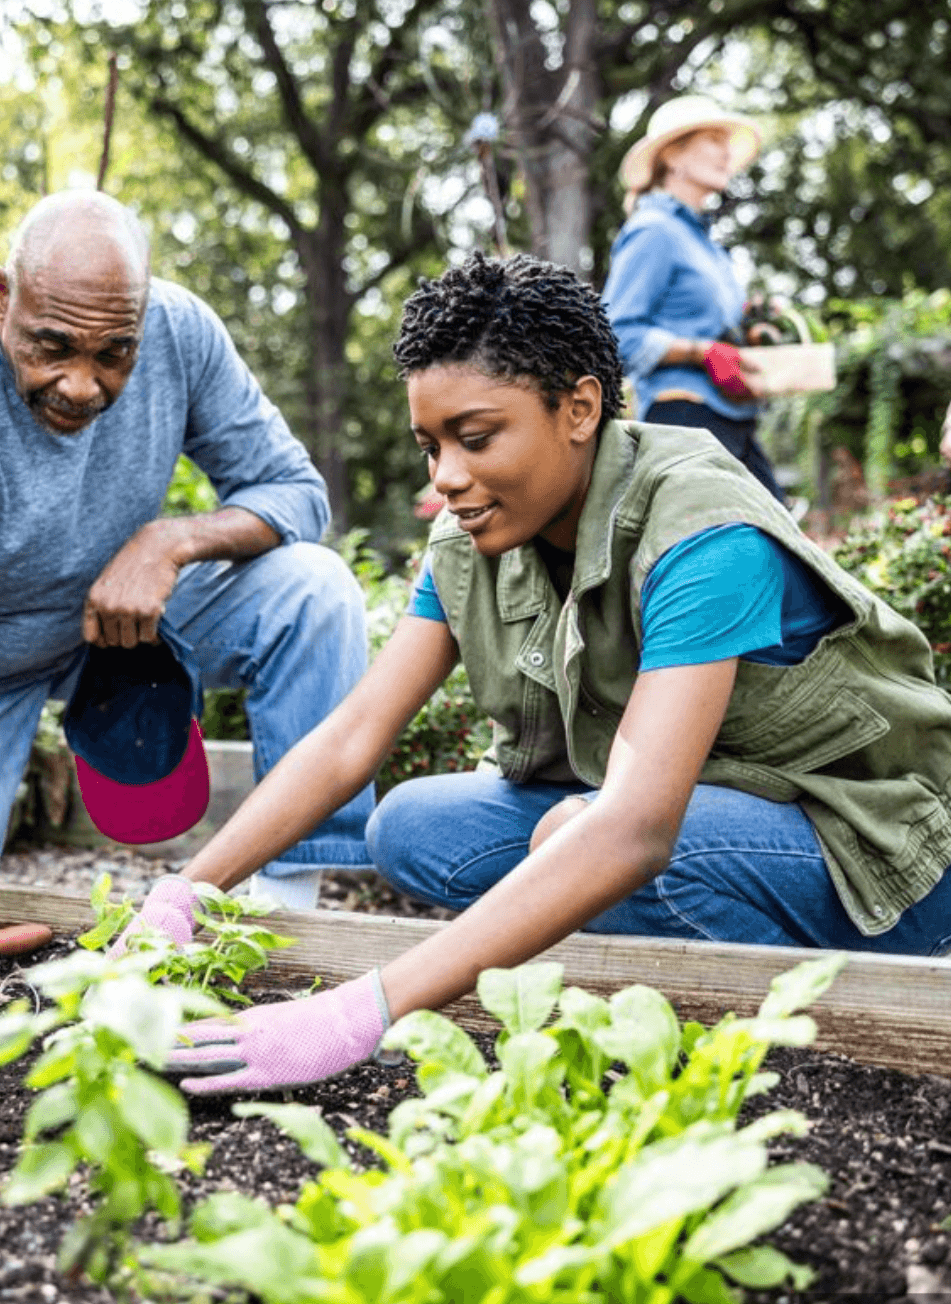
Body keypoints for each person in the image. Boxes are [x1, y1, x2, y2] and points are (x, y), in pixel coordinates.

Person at [115, 251, 951, 1097]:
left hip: (876, 849)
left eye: (476, 438)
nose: (446, 476)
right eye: (431, 445)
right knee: (410, 827)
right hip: (712, 809)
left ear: (580, 407)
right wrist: (187, 891)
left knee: (585, 841)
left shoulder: (703, 530)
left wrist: (360, 1010)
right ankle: (637, 952)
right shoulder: (472, 542)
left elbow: (633, 830)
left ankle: (798, 1019)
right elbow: (349, 741)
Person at [0, 190, 375, 1014]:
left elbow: (294, 491)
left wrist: (169, 541)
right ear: (2, 298)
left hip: (111, 622)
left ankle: (289, 913)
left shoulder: (180, 333)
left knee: (315, 590)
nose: (82, 384)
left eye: (116, 353)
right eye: (53, 347)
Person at [602, 94, 790, 505]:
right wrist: (699, 352)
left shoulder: (707, 246)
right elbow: (615, 335)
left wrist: (753, 329)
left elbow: (720, 332)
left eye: (727, 142)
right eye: (713, 140)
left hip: (734, 420)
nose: (726, 153)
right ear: (674, 157)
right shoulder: (653, 231)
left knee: (783, 543)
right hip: (683, 421)